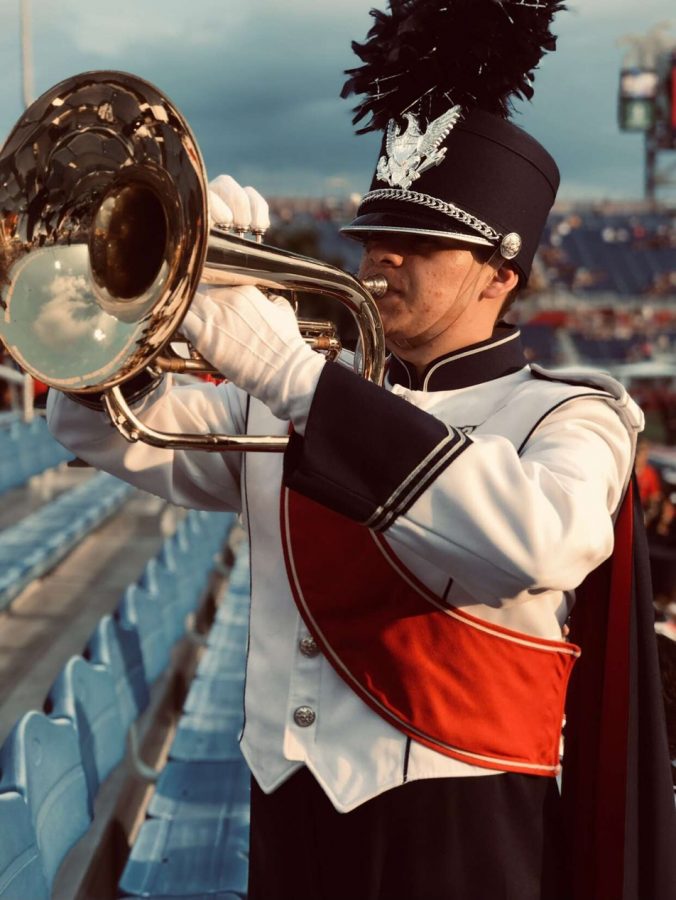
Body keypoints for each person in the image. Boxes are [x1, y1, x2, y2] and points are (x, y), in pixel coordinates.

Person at [45, 3, 676, 899]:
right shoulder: (307, 390)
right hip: (285, 811)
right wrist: (131, 311)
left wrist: (294, 376)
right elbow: (101, 432)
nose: (380, 260)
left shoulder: (572, 415)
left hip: (464, 834)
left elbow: (536, 541)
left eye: (419, 243)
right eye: (377, 234)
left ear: (502, 270)